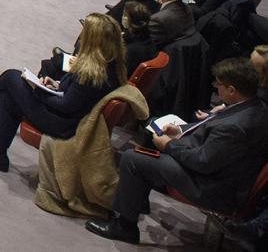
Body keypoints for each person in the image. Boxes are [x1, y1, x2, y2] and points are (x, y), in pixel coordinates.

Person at [84, 57, 268, 244]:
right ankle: (135, 201)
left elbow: (202, 162)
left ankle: (125, 227)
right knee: (153, 131)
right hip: (219, 171)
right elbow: (213, 136)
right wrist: (180, 131)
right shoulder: (256, 106)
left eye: (218, 84)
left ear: (232, 90)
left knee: (133, 158)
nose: (215, 87)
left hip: (211, 187)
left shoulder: (235, 127)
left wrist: (169, 145)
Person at [0, 13, 127, 173]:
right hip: (70, 119)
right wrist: (56, 85)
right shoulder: (112, 66)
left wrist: (38, 91)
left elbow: (66, 106)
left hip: (62, 124)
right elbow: (78, 96)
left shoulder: (91, 73)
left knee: (12, 77)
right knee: (10, 96)